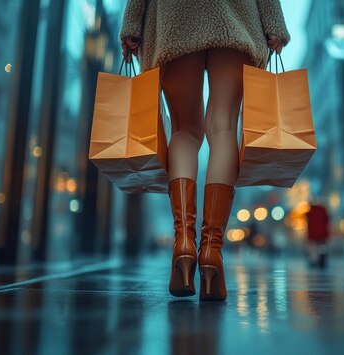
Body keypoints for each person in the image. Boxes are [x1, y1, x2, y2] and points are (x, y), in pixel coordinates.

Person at [119, 1, 290, 300]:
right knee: (223, 127)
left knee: (184, 131)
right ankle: (212, 251)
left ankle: (183, 242)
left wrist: (132, 23)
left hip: (174, 16)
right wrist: (274, 23)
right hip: (238, 15)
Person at [305, 203, 330, 268]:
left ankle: (313, 261)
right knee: (322, 248)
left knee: (313, 250)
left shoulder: (310, 212)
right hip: (322, 234)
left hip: (313, 234)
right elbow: (327, 220)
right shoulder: (322, 210)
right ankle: (322, 261)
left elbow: (308, 223)